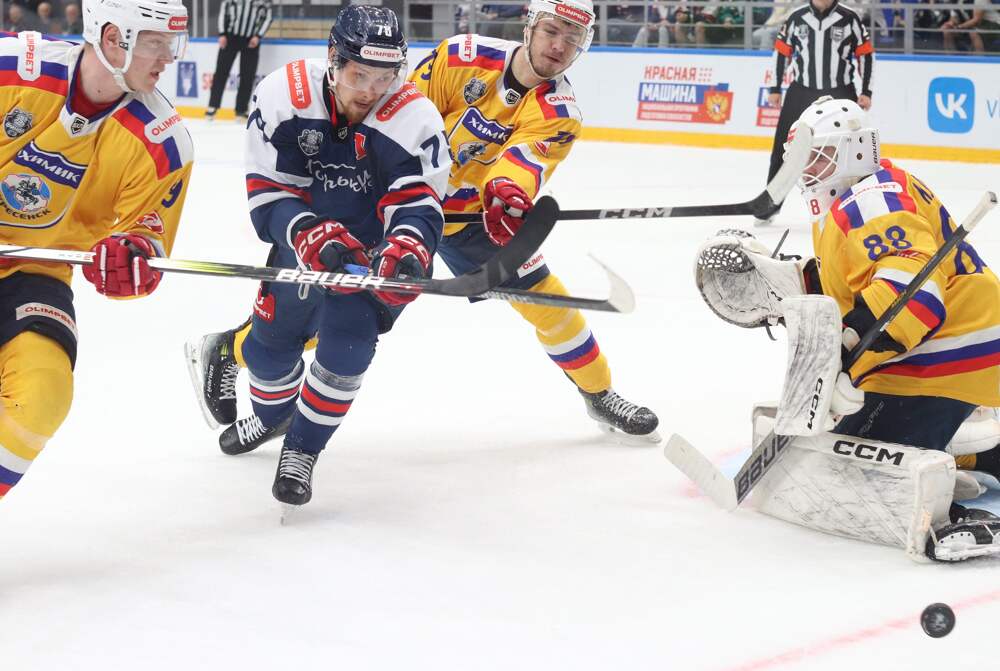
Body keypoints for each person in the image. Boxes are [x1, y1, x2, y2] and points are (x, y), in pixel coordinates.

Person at [185, 0, 660, 452]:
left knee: (552, 306)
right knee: (326, 318)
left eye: (572, 38)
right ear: (529, 26)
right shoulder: (462, 56)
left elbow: (522, 161)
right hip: (392, 208)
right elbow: (398, 119)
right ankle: (231, 350)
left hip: (471, 222)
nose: (559, 46)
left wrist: (507, 195)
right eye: (552, 31)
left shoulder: (560, 113)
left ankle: (600, 394)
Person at [694, 98, 1000, 560]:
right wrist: (799, 281)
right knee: (852, 440)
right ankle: (975, 452)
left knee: (863, 465)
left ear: (855, 150)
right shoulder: (855, 197)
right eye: (802, 158)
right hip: (937, 348)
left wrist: (849, 349)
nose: (808, 170)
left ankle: (955, 519)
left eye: (818, 157)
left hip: (948, 351)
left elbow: (913, 296)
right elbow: (859, 279)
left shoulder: (869, 200)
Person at [206, 5, 449, 506]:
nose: (370, 90)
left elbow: (417, 201)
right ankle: (272, 416)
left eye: (384, 77)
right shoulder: (285, 95)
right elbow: (269, 193)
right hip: (302, 244)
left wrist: (408, 245)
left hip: (368, 256)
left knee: (347, 351)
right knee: (269, 354)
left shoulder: (414, 115)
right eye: (359, 75)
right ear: (333, 59)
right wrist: (306, 232)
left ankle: (302, 449)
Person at [0, 0, 192, 501]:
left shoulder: (163, 142)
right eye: (155, 42)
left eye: (171, 43)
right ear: (112, 37)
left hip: (35, 274)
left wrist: (132, 259)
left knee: (43, 394)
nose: (167, 58)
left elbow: (146, 241)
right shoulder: (11, 70)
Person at [758, 0, 873, 225]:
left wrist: (866, 91)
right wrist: (774, 88)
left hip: (840, 90)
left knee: (851, 149)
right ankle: (770, 204)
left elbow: (866, 54)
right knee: (784, 148)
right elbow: (781, 52)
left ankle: (857, 204)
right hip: (801, 90)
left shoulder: (850, 17)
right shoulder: (796, 17)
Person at [205, 0, 273, 121]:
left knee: (248, 75)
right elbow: (223, 13)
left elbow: (268, 17)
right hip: (230, 37)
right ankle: (212, 106)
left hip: (251, 40)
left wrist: (258, 36)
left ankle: (241, 110)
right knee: (221, 72)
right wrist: (222, 34)